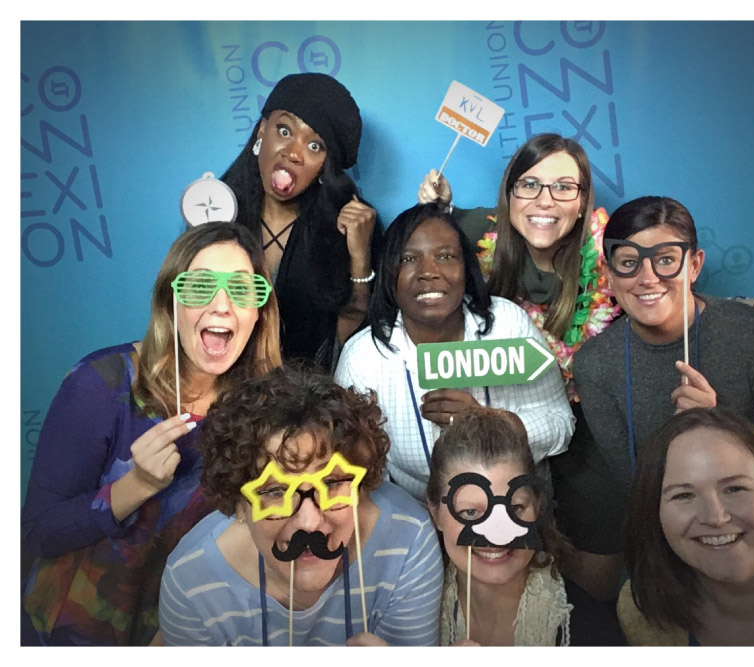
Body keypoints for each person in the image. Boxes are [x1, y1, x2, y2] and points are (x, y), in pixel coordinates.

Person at [418, 134, 754, 599]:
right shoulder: (479, 241)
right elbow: (427, 252)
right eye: (530, 185)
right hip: (531, 440)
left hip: (591, 438)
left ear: (583, 201)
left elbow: (667, 293)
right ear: (510, 194)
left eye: (564, 187)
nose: (545, 200)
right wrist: (440, 207)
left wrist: (751, 311)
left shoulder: (616, 264)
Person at [21, 222, 282, 645]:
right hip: (74, 630)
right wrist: (137, 485)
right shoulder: (101, 384)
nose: (222, 306)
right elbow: (38, 533)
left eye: (241, 289)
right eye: (200, 287)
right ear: (170, 302)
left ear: (259, 310)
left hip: (184, 631)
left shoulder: (262, 407)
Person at [572, 196, 754, 570]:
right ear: (608, 274)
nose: (648, 277)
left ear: (694, 266)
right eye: (629, 263)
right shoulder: (596, 365)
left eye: (666, 260)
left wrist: (723, 432)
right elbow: (636, 490)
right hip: (679, 560)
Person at [159, 365, 443, 646]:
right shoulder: (191, 582)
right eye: (275, 491)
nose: (309, 522)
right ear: (239, 506)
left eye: (330, 483)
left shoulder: (408, 540)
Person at [334, 203, 573, 502]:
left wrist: (492, 425)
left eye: (445, 256)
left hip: (513, 506)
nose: (429, 272)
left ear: (466, 268)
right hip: (417, 514)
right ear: (388, 273)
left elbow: (561, 424)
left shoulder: (507, 324)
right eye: (408, 259)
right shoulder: (364, 357)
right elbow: (358, 471)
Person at [427, 406, 625, 646]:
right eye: (470, 512)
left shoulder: (592, 630)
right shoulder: (405, 614)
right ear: (435, 513)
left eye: (514, 508)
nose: (497, 535)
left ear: (537, 506)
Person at [221, 72, 381, 370]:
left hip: (306, 391)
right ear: (262, 129)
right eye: (284, 131)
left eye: (315, 146)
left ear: (325, 166)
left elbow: (353, 338)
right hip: (224, 387)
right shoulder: (217, 209)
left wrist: (360, 256)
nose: (293, 153)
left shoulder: (346, 227)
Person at [618, 407, 754, 646]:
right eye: (684, 495)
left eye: (735, 489)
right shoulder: (641, 611)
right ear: (653, 511)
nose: (716, 517)